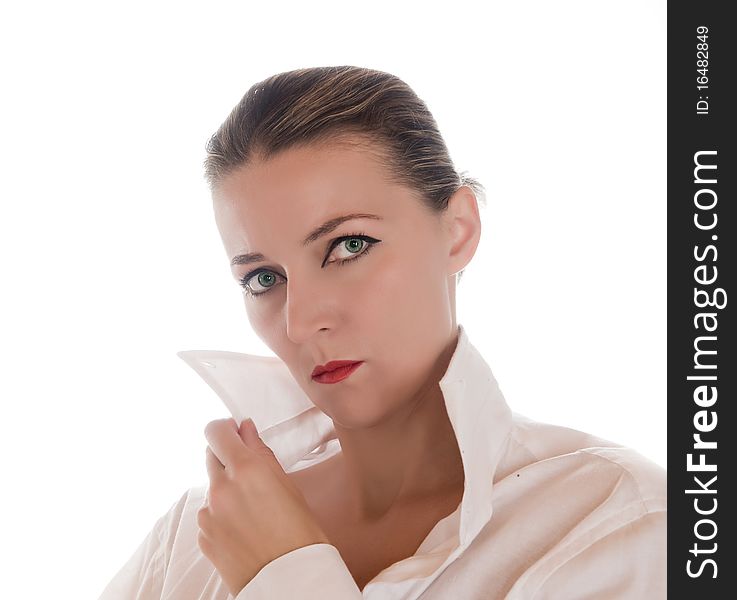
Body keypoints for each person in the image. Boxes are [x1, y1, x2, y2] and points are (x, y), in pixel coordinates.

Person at [98, 66, 666, 599]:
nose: (301, 321)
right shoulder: (191, 542)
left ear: (458, 230)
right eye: (264, 278)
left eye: (349, 246)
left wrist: (284, 574)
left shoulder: (620, 521)